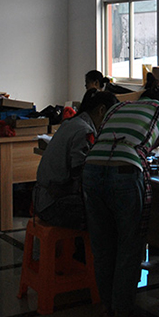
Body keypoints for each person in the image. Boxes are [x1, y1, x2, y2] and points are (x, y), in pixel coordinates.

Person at [82, 73, 159, 317]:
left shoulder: (117, 107)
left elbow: (109, 140)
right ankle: (123, 316)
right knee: (128, 247)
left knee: (103, 247)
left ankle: (108, 311)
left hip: (91, 169)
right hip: (125, 174)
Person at [32, 89, 118, 229]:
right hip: (54, 205)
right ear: (101, 110)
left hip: (42, 200)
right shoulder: (84, 131)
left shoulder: (71, 123)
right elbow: (81, 175)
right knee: (110, 212)